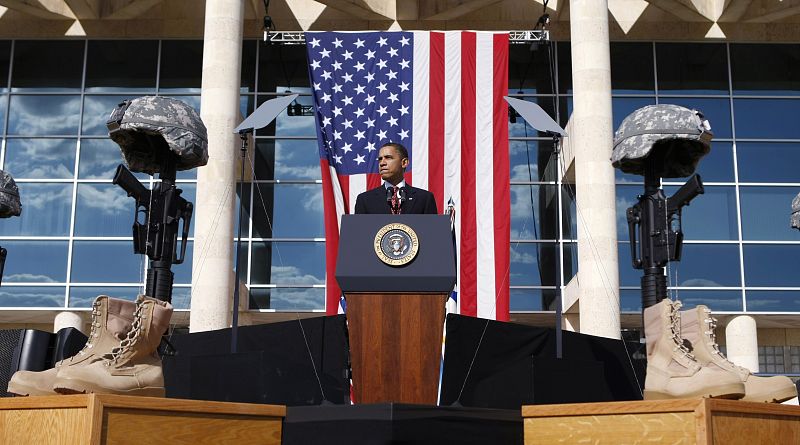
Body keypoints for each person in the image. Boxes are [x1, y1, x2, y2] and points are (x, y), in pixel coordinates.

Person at [354, 142, 438, 214]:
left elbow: (432, 231)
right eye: (380, 159)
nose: (382, 163)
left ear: (404, 162)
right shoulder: (365, 200)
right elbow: (359, 231)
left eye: (388, 157)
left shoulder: (424, 198)